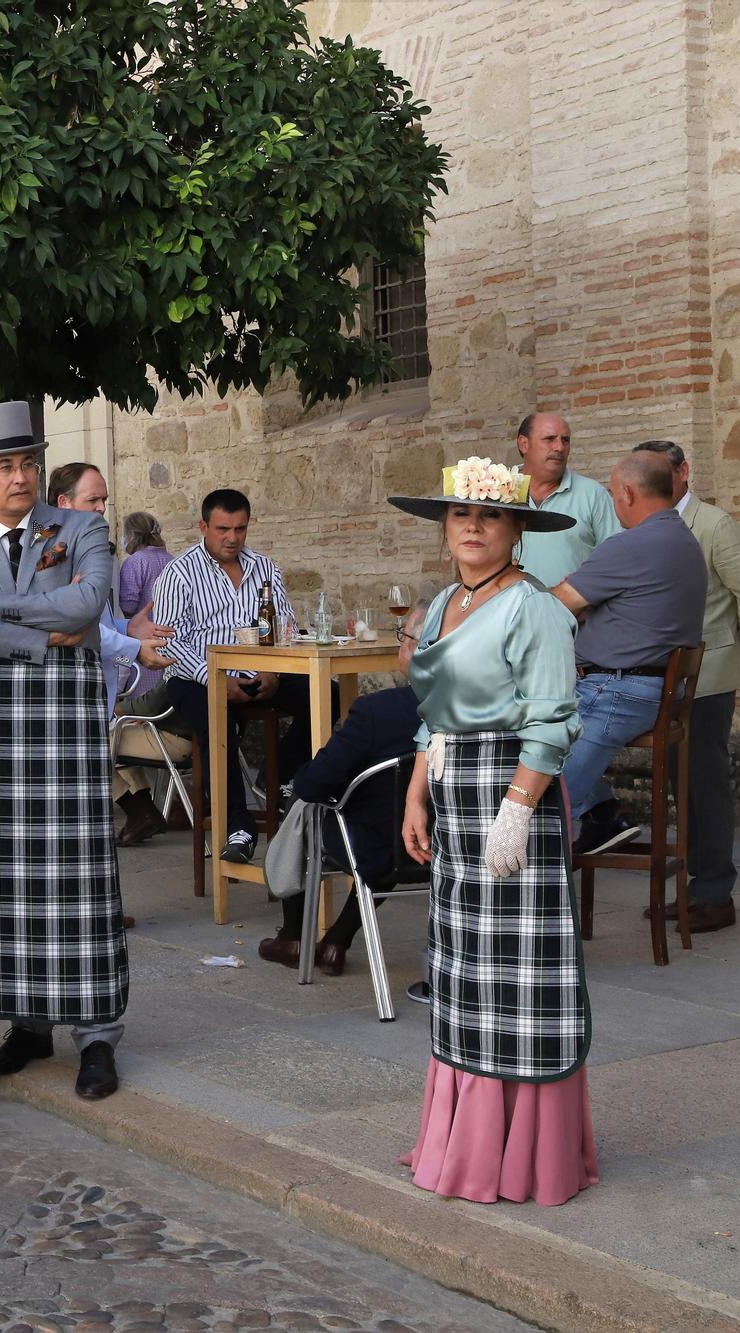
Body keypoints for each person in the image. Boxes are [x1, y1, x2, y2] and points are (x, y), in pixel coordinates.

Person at [390, 457, 595, 1207]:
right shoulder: (446, 600)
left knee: (515, 976)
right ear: (444, 528)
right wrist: (417, 795)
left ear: (516, 530)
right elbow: (433, 717)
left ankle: (520, 1156)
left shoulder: (532, 606)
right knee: (463, 968)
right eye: (460, 516)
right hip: (452, 789)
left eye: (490, 516)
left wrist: (517, 810)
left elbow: (553, 719)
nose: (472, 528)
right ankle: (460, 1142)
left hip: (514, 792)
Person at [0, 401, 126, 1101]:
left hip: (64, 731)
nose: (22, 476)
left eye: (29, 462)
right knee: (5, 877)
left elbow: (89, 604)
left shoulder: (83, 526)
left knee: (79, 875)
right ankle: (28, 1023)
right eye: (6, 465)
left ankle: (97, 1036)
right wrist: (40, 632)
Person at [631, 441, 740, 933]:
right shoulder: (646, 526)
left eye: (661, 471)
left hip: (707, 678)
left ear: (683, 472)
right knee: (680, 786)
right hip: (662, 680)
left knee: (705, 784)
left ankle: (715, 894)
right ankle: (695, 888)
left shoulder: (713, 525)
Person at [547, 451, 708, 854]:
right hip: (646, 689)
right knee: (530, 726)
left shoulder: (631, 545)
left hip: (615, 692)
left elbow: (552, 608)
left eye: (614, 493)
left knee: (535, 793)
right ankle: (603, 813)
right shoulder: (684, 539)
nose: (614, 502)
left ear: (629, 494)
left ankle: (534, 884)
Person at [257, 600, 428, 976]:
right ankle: (337, 939)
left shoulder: (376, 712)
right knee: (387, 828)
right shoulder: (478, 713)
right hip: (442, 847)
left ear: (414, 647)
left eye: (403, 638)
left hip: (372, 843)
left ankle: (292, 936)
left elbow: (313, 784)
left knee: (302, 802)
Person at [149, 488, 313, 864]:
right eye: (223, 529)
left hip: (258, 670)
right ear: (203, 526)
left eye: (240, 529)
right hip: (194, 675)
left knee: (327, 695)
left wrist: (273, 668)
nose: (232, 538)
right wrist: (214, 678)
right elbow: (169, 644)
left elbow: (285, 625)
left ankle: (276, 778)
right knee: (215, 720)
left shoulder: (265, 568)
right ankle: (237, 825)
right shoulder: (179, 572)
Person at [46, 462, 174, 849]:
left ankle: (95, 904)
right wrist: (133, 647)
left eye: (105, 499)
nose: (103, 507)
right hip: (61, 692)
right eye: (94, 500)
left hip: (92, 688)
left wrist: (128, 629)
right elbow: (68, 628)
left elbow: (100, 622)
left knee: (85, 807)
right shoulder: (48, 548)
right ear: (64, 503)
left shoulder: (85, 545)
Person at [511, 412, 619, 589]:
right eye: (549, 439)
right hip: (508, 613)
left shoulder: (593, 495)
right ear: (524, 444)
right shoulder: (497, 492)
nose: (559, 447)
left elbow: (618, 560)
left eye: (565, 440)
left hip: (575, 614)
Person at [116, 512, 171, 620]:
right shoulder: (170, 558)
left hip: (142, 630)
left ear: (131, 534)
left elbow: (128, 606)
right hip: (169, 628)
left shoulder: (135, 561)